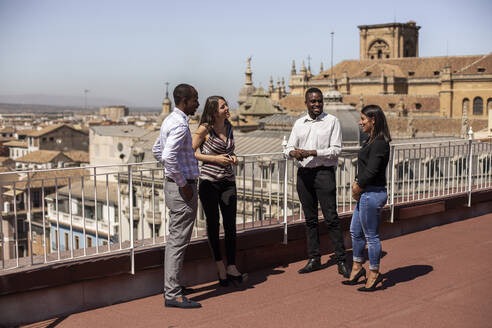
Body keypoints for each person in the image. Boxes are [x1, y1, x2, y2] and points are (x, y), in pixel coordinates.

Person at [284, 87, 349, 278]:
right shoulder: (299, 124)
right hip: (304, 174)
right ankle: (314, 259)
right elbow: (287, 148)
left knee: (332, 218)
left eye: (319, 101)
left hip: (324, 174)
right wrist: (292, 153)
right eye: (313, 101)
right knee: (310, 220)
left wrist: (312, 152)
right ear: (306, 103)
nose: (317, 104)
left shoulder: (332, 121)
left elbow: (336, 150)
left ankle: (341, 260)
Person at [152, 83, 202, 308]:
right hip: (182, 189)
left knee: (177, 238)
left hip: (173, 186)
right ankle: (172, 293)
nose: (197, 103)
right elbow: (168, 157)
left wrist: (173, 176)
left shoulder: (169, 121)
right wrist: (183, 183)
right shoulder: (180, 125)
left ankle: (173, 286)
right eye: (195, 99)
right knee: (178, 241)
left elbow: (156, 150)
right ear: (185, 101)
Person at [192, 96, 244, 286]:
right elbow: (191, 152)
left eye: (226, 105)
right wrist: (214, 159)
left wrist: (233, 158)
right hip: (209, 183)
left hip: (228, 181)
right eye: (223, 106)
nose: (227, 108)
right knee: (213, 224)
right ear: (214, 111)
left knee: (230, 225)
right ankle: (219, 265)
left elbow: (230, 150)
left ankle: (232, 265)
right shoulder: (205, 128)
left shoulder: (229, 126)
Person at [342, 104, 391, 292]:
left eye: (363, 119)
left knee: (371, 236)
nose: (360, 122)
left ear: (373, 120)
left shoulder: (380, 142)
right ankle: (357, 267)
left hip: (372, 193)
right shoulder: (370, 140)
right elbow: (364, 167)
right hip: (365, 193)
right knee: (355, 231)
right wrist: (357, 183)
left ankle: (374, 271)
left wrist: (357, 185)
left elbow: (372, 170)